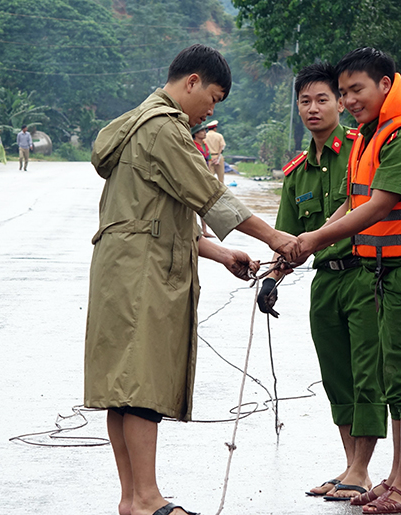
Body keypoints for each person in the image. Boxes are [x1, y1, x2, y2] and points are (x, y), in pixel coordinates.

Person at [84, 44, 300, 515]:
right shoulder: (164, 128)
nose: (211, 109)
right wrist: (277, 238)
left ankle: (131, 498)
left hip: (121, 269)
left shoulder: (135, 124)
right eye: (214, 97)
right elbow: (212, 197)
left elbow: (159, 217)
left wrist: (221, 253)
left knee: (123, 387)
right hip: (143, 274)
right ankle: (146, 497)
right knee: (141, 384)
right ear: (191, 82)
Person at [295, 47, 401, 514]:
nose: (349, 100)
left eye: (355, 90)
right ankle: (394, 478)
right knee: (390, 376)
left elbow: (379, 205)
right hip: (383, 270)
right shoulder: (370, 135)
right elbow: (352, 200)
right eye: (343, 92)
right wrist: (312, 240)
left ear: (386, 84)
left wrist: (313, 238)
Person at [257, 62, 384, 500]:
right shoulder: (297, 173)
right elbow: (288, 239)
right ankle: (351, 466)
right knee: (337, 378)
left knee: (368, 374)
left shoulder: (361, 150)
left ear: (340, 104)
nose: (313, 108)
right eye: (305, 101)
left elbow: (363, 207)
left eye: (322, 99)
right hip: (324, 284)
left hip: (365, 275)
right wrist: (272, 277)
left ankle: (361, 470)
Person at [191, 123, 216, 238]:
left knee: (204, 203)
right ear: (196, 134)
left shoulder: (205, 145)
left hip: (205, 174)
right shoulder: (193, 145)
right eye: (202, 131)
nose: (205, 133)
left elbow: (209, 159)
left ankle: (204, 230)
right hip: (195, 175)